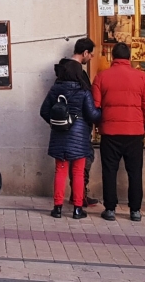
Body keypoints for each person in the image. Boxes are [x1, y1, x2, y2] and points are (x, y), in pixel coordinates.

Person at [91, 42, 145, 222]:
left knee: (109, 171)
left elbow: (94, 107)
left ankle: (110, 209)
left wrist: (100, 122)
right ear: (129, 57)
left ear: (113, 57)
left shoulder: (101, 77)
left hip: (110, 132)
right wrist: (142, 121)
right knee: (135, 172)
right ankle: (135, 210)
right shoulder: (141, 77)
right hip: (134, 132)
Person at [40, 59, 102, 220]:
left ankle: (57, 208)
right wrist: (101, 112)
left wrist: (56, 123)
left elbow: (44, 111)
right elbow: (92, 115)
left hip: (59, 135)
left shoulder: (55, 89)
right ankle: (77, 209)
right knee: (78, 173)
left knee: (60, 171)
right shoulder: (83, 91)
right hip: (79, 138)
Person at [58, 37, 99, 207]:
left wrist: (57, 121)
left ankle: (60, 204)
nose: (92, 57)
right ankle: (79, 198)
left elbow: (47, 108)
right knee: (83, 162)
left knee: (62, 167)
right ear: (85, 53)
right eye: (91, 54)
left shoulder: (62, 71)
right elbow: (87, 105)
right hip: (80, 128)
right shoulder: (79, 74)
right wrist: (97, 115)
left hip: (62, 128)